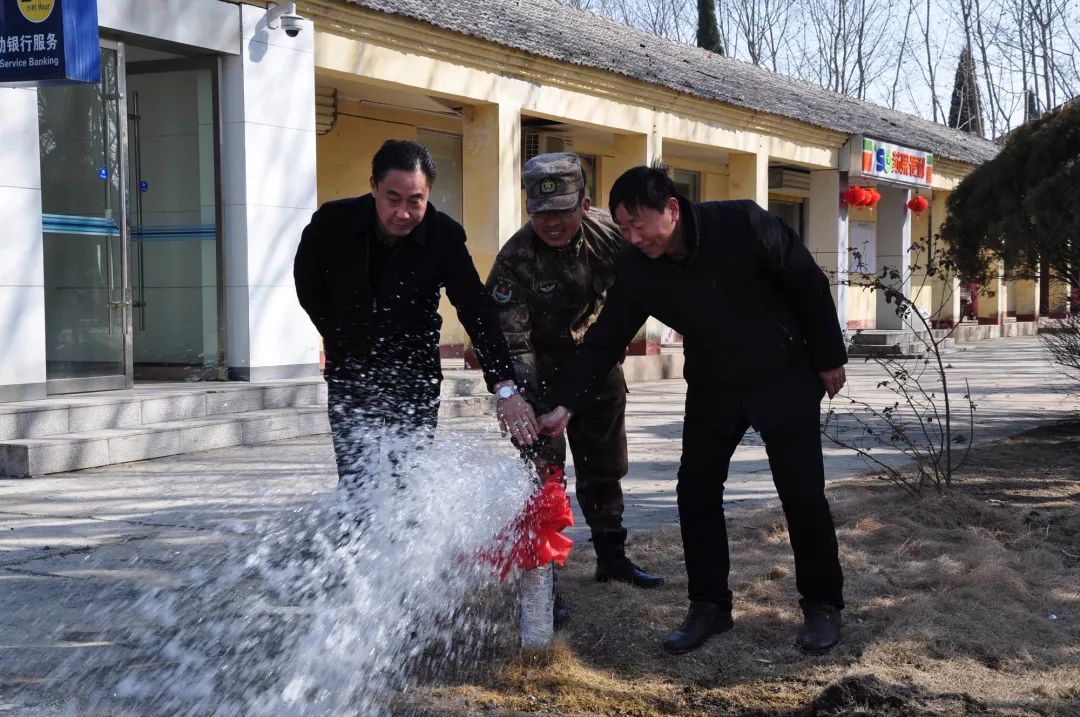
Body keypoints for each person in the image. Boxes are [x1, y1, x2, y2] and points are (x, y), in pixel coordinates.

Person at [536, 164, 848, 655]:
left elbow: (807, 282)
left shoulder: (743, 224)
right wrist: (566, 405)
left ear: (673, 209)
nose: (634, 237)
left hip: (783, 373)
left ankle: (822, 607)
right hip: (714, 385)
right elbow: (605, 339)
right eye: (624, 228)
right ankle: (709, 606)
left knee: (802, 494)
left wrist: (830, 358)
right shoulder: (638, 266)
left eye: (640, 224)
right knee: (696, 492)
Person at [485, 153, 665, 626]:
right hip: (538, 376)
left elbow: (648, 283)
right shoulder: (514, 262)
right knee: (543, 480)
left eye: (561, 210)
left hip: (597, 365)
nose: (551, 222)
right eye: (540, 212)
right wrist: (522, 404)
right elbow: (513, 341)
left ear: (584, 204)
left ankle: (613, 558)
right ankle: (547, 580)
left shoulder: (613, 235)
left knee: (605, 467)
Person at [293, 139, 537, 487]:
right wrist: (339, 333)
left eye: (415, 201)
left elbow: (475, 309)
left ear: (428, 194)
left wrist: (504, 384)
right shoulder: (333, 223)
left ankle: (404, 539)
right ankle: (357, 540)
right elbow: (307, 284)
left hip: (414, 373)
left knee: (407, 477)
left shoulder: (444, 236)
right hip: (351, 370)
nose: (403, 213)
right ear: (374, 186)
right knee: (356, 480)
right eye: (393, 199)